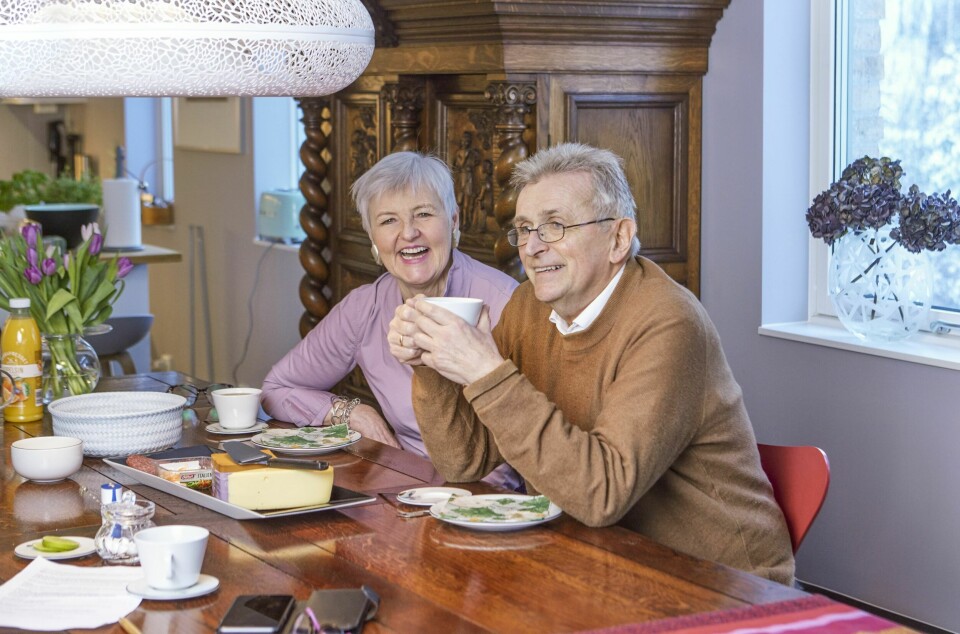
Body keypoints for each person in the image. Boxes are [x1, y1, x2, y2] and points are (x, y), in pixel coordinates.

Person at [388, 143, 795, 584]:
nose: (532, 247)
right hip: (595, 561)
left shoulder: (669, 323)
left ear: (618, 238)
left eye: (555, 226)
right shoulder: (529, 306)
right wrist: (429, 365)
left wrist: (487, 372)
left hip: (719, 583)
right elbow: (462, 462)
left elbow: (601, 494)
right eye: (524, 229)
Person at [261, 151, 521, 490]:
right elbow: (275, 389)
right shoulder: (365, 308)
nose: (408, 233)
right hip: (402, 483)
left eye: (424, 214)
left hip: (488, 496)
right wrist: (352, 413)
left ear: (453, 221)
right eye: (388, 221)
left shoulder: (505, 303)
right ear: (373, 237)